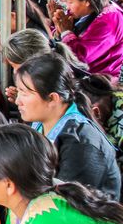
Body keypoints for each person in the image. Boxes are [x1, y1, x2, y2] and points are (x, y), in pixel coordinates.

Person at [12, 53, 121, 198]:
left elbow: (67, 203)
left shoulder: (81, 142)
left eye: (24, 93)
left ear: (52, 98)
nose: (17, 101)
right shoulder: (40, 122)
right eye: (18, 91)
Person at [52, 0, 123, 78]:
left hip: (101, 81)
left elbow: (80, 58)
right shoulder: (86, 14)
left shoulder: (109, 20)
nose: (67, 7)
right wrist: (58, 26)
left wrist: (66, 31)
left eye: (70, 2)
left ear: (87, 1)